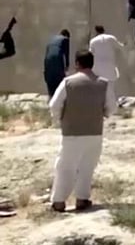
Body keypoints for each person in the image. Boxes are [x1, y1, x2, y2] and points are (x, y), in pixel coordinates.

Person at [48, 49, 117, 212]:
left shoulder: (68, 82)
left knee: (65, 166)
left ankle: (59, 201)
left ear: (77, 63)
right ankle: (82, 199)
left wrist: (61, 118)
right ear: (92, 64)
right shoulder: (104, 83)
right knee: (87, 166)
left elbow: (54, 105)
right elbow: (112, 107)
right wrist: (104, 114)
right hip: (94, 132)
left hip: (71, 132)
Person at [88, 26, 125, 104]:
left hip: (97, 66)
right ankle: (112, 103)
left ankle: (99, 102)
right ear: (103, 30)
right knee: (111, 85)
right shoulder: (111, 38)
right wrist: (125, 44)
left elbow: (90, 53)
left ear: (96, 32)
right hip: (110, 65)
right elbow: (120, 46)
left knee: (99, 85)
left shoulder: (93, 41)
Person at [44, 29, 71, 98]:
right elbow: (67, 53)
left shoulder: (52, 39)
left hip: (47, 59)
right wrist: (67, 65)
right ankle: (59, 96)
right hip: (57, 57)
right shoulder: (65, 39)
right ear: (67, 35)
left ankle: (51, 96)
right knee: (59, 76)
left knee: (50, 76)